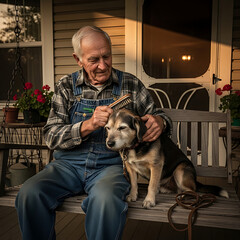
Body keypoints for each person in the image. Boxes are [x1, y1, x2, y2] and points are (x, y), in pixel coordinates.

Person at [15, 26, 172, 240]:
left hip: (111, 166)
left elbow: (159, 116)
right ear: (78, 59)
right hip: (67, 165)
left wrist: (160, 121)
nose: (103, 65)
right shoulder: (66, 87)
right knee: (30, 193)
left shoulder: (131, 84)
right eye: (94, 59)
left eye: (106, 56)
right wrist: (86, 125)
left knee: (106, 200)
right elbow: (51, 135)